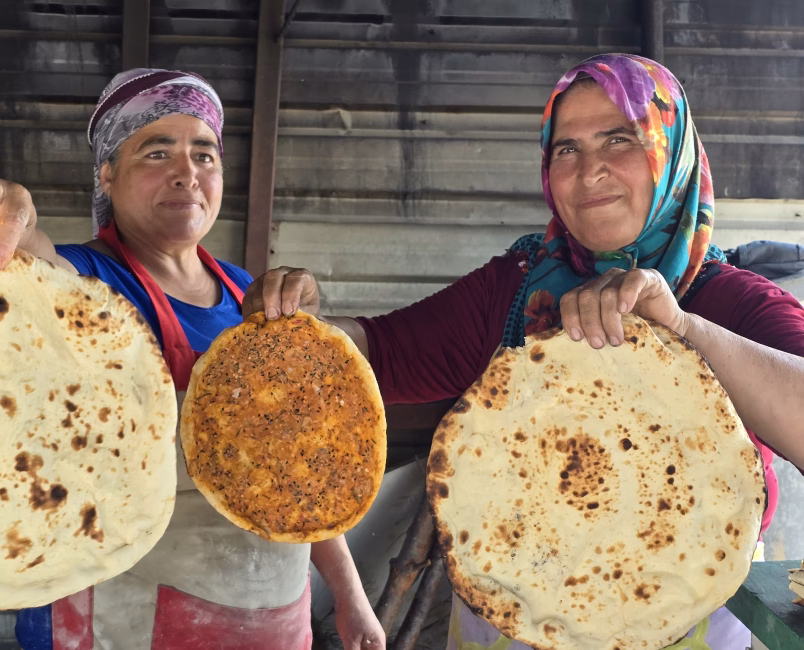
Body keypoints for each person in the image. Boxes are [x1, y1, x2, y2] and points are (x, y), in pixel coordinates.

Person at [246, 53, 804, 648]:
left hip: (685, 616)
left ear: (671, 152)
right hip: (514, 613)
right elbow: (375, 352)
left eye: (619, 139)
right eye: (566, 148)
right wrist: (297, 325)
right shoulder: (514, 290)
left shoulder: (732, 302)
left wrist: (683, 328)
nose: (589, 170)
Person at [0, 69, 384, 649]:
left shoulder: (249, 295)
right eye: (157, 153)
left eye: (204, 155)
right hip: (117, 620)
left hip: (269, 617)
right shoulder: (88, 281)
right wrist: (8, 224)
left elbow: (303, 470)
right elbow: (39, 271)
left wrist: (352, 599)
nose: (187, 173)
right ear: (107, 175)